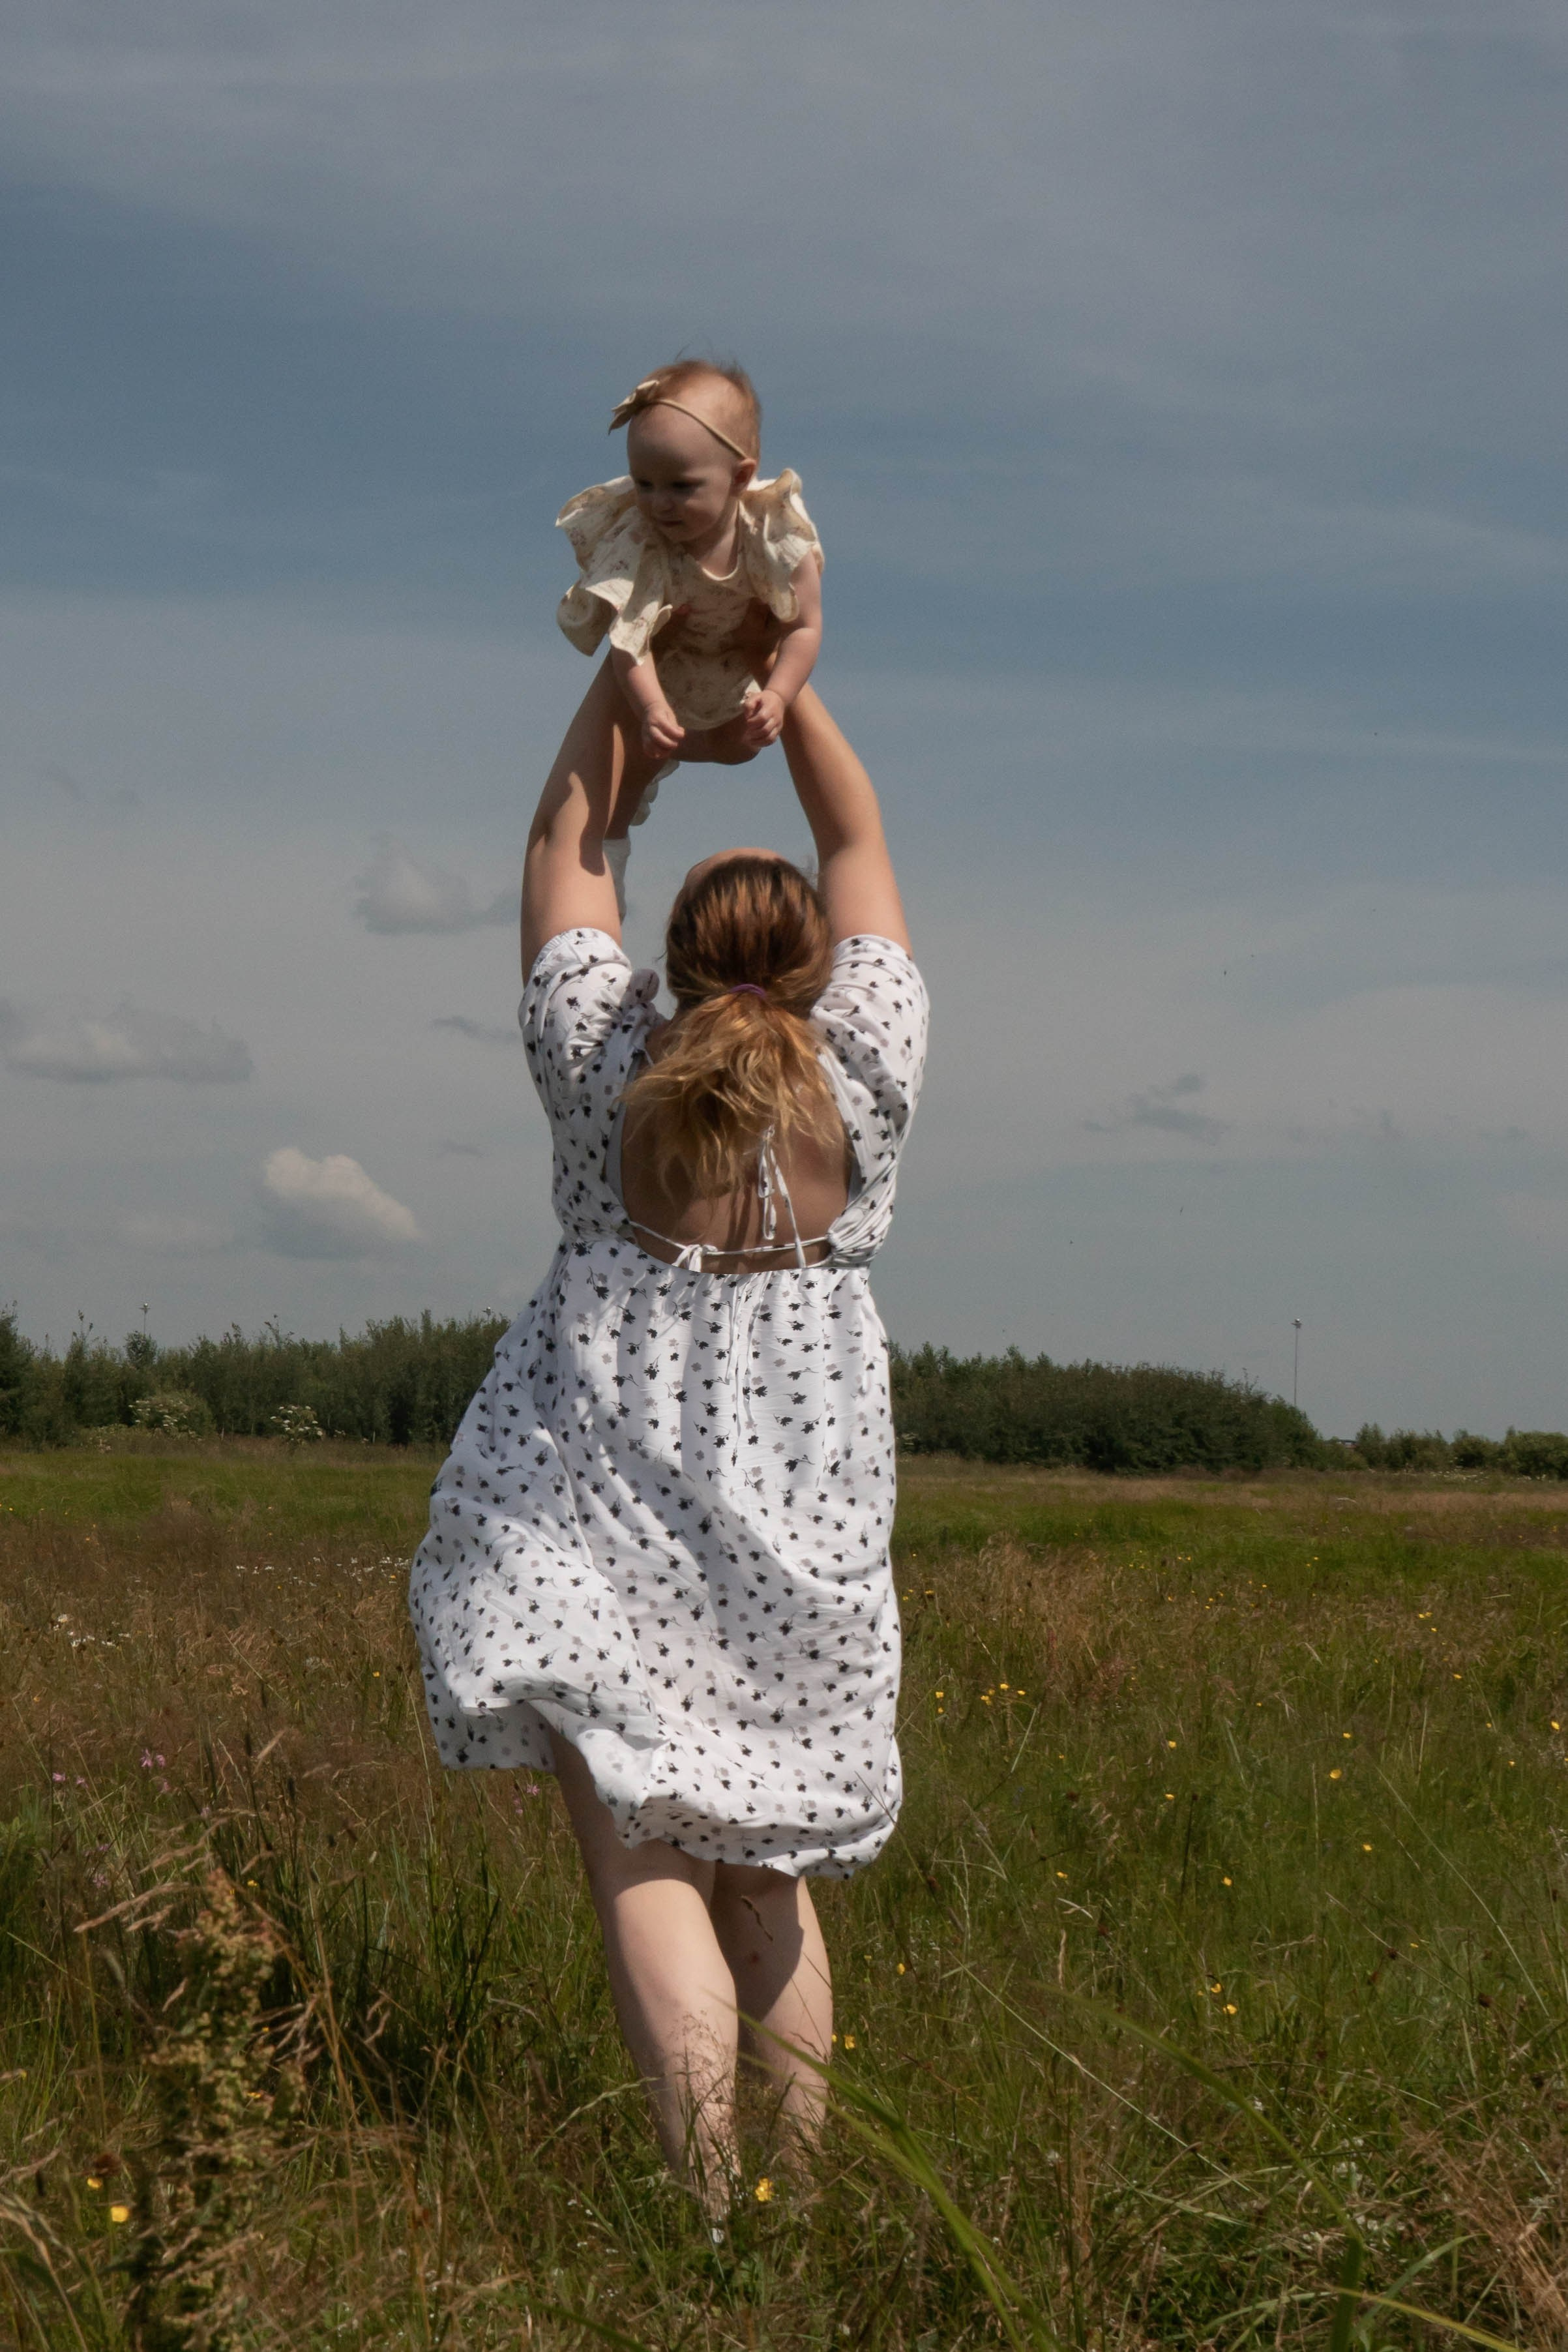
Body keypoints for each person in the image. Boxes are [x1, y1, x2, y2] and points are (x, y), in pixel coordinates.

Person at [407, 687, 926, 2216]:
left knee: (644, 1866)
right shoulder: (871, 1063)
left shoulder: (602, 1051)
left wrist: (632, 680)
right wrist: (786, 681)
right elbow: (861, 833)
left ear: (674, 955)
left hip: (598, 1525)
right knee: (762, 1871)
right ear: (815, 960)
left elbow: (565, 844)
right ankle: (798, 2214)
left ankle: (708, 2225)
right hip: (802, 1538)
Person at [554, 359, 824, 908]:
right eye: (645, 483)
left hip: (732, 677)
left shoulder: (770, 530)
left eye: (680, 485)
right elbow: (628, 641)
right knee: (622, 781)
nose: (658, 502)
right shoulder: (642, 540)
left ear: (741, 476)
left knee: (741, 748)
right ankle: (606, 887)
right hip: (659, 677)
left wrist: (778, 694)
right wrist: (652, 707)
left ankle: (710, 739)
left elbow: (804, 627)